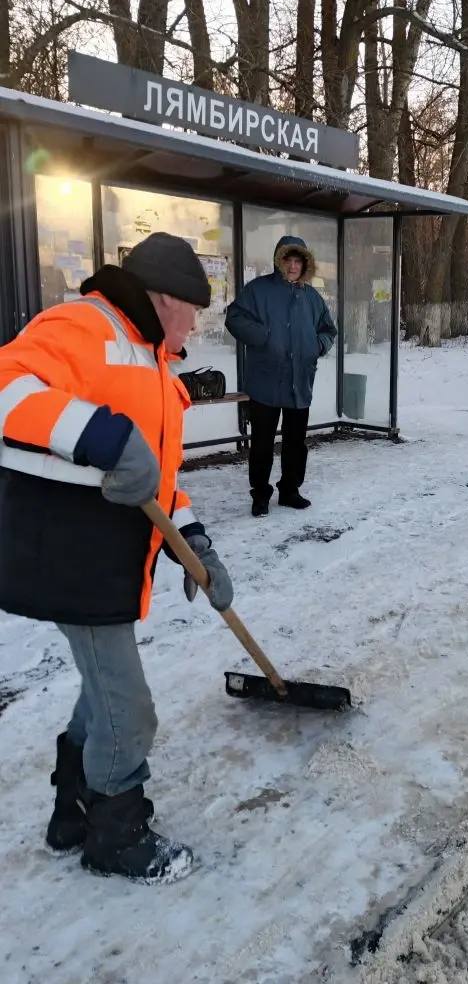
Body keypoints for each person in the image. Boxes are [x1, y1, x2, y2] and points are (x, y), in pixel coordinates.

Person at [0, 232, 234, 884]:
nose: (198, 324)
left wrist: (198, 548)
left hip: (107, 561)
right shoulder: (83, 324)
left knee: (102, 693)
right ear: (166, 300)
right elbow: (6, 388)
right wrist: (99, 436)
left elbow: (157, 482)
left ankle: (72, 811)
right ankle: (117, 832)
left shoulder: (153, 365)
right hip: (71, 554)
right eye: (195, 310)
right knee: (129, 710)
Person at [226, 235, 337, 516]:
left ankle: (290, 490)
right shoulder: (258, 290)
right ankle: (260, 495)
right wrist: (263, 336)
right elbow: (235, 317)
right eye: (287, 259)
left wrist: (317, 346)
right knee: (262, 442)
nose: (292, 266)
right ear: (279, 261)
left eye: (298, 260)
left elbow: (328, 330)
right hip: (265, 380)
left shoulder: (312, 297)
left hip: (300, 381)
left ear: (305, 264)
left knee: (295, 443)